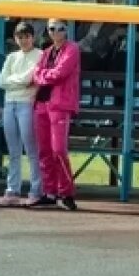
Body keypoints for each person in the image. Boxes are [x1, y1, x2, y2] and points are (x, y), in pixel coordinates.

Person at [31, 18, 82, 210]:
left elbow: (60, 73)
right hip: (42, 104)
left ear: (66, 30)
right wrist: (44, 75)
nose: (56, 32)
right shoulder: (46, 52)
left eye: (60, 28)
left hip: (60, 105)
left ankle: (67, 192)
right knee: (44, 150)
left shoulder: (72, 49)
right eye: (52, 28)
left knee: (58, 150)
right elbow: (36, 73)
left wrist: (43, 76)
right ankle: (50, 191)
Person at [0, 22, 44, 205]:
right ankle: (12, 189)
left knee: (31, 148)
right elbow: (2, 81)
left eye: (27, 36)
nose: (24, 40)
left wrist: (16, 81)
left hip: (27, 103)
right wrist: (20, 82)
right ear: (16, 38)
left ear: (33, 37)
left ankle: (35, 189)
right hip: (10, 103)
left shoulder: (39, 55)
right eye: (20, 37)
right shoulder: (11, 57)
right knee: (13, 150)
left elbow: (29, 78)